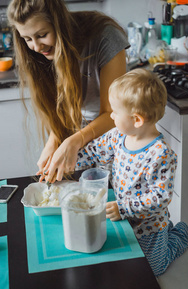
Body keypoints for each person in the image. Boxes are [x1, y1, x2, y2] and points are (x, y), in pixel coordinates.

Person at [74, 68, 188, 277]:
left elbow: (160, 198)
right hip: (122, 215)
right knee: (125, 259)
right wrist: (70, 162)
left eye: (114, 111)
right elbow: (94, 150)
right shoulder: (118, 135)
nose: (110, 116)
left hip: (149, 224)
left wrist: (124, 208)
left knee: (155, 268)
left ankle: (180, 232)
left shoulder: (161, 155)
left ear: (137, 119)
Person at [7, 0, 130, 183]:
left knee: (110, 197)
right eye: (27, 39)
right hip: (78, 131)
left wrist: (72, 141)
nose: (36, 47)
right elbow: (65, 105)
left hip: (113, 127)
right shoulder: (37, 54)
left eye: (42, 35)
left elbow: (112, 113)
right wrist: (53, 141)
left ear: (59, 23)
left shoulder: (105, 36)